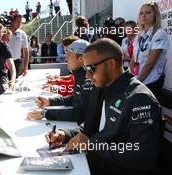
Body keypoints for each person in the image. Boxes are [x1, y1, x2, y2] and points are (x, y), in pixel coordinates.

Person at [45, 38, 162, 175]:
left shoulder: (140, 99)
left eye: (91, 68)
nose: (87, 75)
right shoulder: (103, 86)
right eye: (85, 68)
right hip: (94, 163)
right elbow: (95, 127)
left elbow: (142, 155)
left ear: (111, 64)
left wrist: (93, 144)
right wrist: (65, 135)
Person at [28, 39, 94, 125]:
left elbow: (80, 114)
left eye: (69, 54)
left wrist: (45, 113)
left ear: (81, 59)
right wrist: (50, 101)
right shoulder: (79, 73)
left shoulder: (89, 79)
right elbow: (75, 99)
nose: (65, 57)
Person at [131, 1, 169, 102]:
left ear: (155, 15)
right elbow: (133, 59)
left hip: (151, 83)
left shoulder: (160, 34)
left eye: (148, 13)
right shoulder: (139, 35)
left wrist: (135, 83)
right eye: (141, 13)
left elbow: (150, 64)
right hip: (138, 80)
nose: (144, 16)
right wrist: (129, 78)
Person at [0, 22, 16, 89]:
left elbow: (12, 65)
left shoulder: (4, 47)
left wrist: (13, 81)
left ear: (2, 34)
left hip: (1, 79)